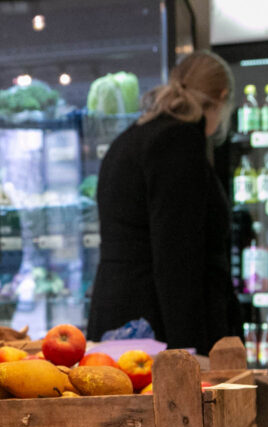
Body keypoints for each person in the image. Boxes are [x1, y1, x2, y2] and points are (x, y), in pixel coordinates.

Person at [87, 51, 242, 355]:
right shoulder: (178, 143)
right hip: (153, 333)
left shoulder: (132, 137)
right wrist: (190, 353)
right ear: (222, 97)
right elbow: (178, 260)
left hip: (119, 323)